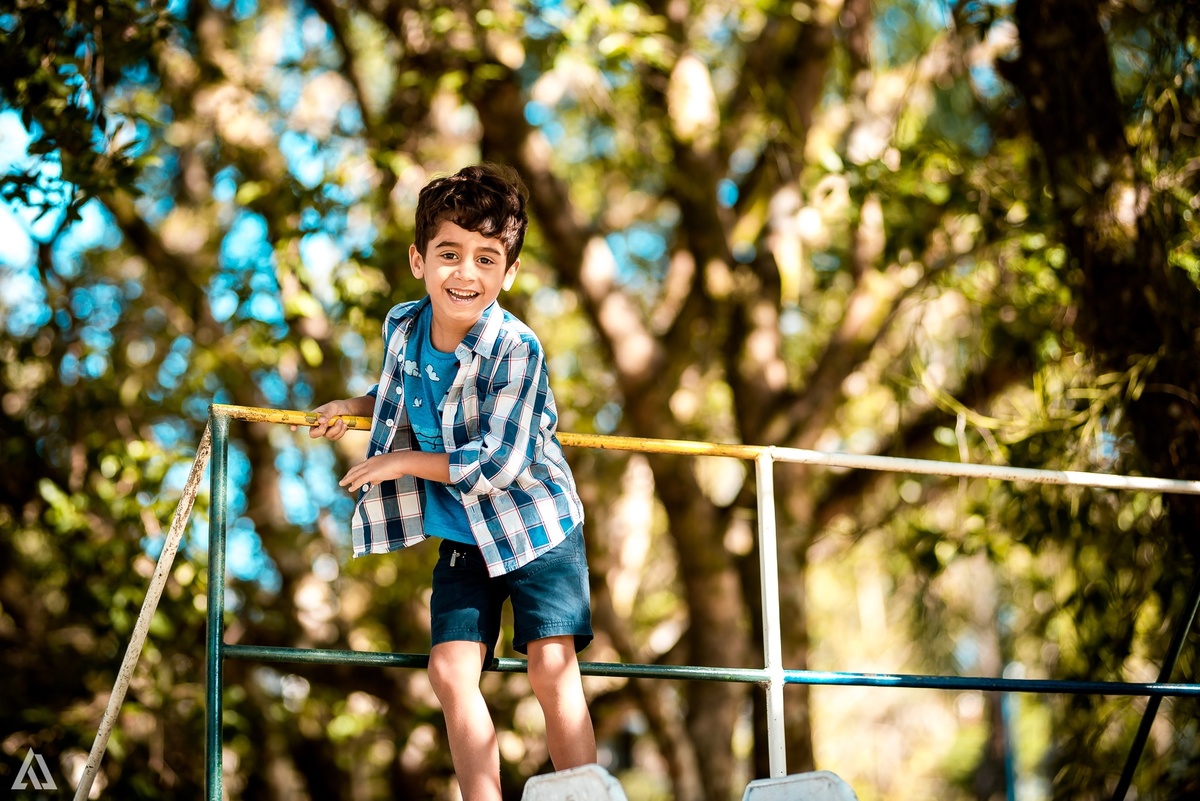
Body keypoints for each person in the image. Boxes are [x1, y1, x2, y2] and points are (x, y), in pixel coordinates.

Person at [302, 163, 596, 799]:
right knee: (449, 668)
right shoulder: (402, 329)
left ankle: (581, 793)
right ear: (419, 260)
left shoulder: (517, 348)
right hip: (466, 535)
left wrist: (400, 462)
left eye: (486, 259)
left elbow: (498, 463)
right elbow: (404, 393)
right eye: (450, 253)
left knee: (550, 666)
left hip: (536, 528)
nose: (466, 273)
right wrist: (352, 407)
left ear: (508, 274)